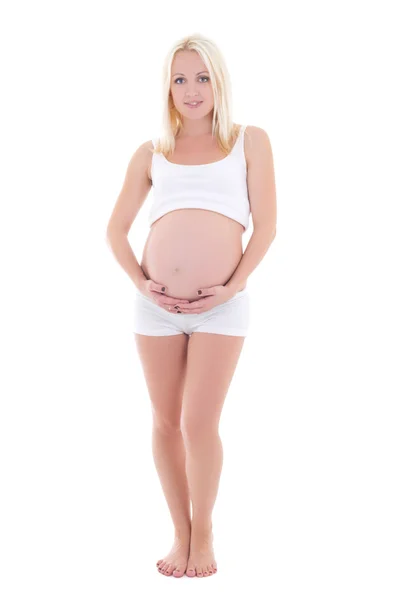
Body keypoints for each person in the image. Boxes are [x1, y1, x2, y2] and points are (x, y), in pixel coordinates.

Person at [106, 33, 277, 578]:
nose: (192, 88)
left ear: (219, 81)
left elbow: (268, 227)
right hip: (155, 309)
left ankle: (204, 532)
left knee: (198, 422)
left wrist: (234, 285)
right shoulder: (151, 152)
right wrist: (140, 282)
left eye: (202, 77)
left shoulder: (250, 140)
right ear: (168, 88)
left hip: (222, 306)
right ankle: (178, 530)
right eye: (180, 79)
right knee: (164, 422)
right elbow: (115, 229)